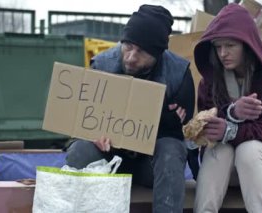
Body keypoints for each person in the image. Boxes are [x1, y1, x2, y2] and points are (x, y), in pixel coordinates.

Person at [65, 4, 195, 213]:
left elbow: (182, 133)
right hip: (107, 159)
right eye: (128, 46)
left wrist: (164, 122)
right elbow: (81, 122)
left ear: (158, 53)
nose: (131, 57)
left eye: (141, 51)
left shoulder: (178, 74)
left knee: (171, 149)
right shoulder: (102, 65)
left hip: (150, 166)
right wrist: (92, 135)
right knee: (80, 150)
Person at [192, 4, 262, 213]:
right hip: (227, 166)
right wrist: (231, 114)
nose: (223, 53)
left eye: (230, 45)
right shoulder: (211, 79)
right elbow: (206, 124)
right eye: (217, 47)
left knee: (248, 150)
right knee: (220, 147)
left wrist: (230, 130)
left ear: (248, 44)